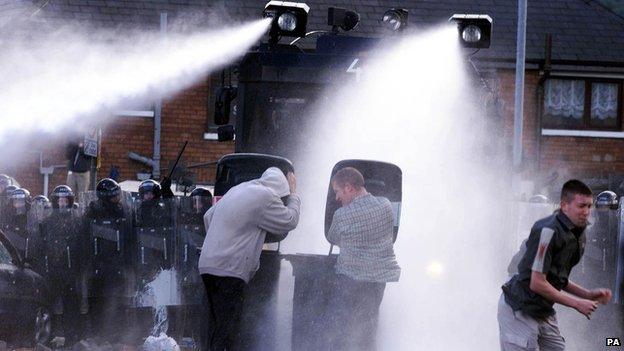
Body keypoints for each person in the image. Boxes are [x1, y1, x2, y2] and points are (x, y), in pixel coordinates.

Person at [498, 179, 612, 351]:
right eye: (581, 206)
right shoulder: (548, 231)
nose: (586, 212)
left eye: (589, 206)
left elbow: (556, 278)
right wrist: (577, 303)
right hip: (520, 308)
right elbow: (537, 282)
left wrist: (587, 294)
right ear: (564, 205)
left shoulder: (578, 234)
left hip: (543, 310)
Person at [198, 167, 300, 351]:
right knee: (228, 328)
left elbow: (208, 216)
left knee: (216, 324)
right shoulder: (267, 196)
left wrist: (221, 242)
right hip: (230, 270)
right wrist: (294, 195)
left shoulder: (238, 189)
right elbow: (290, 220)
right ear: (281, 190)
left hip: (207, 264)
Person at [326, 167, 401, 351]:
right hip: (377, 281)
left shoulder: (342, 215)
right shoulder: (385, 205)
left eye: (337, 191)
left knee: (340, 332)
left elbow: (333, 237)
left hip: (350, 280)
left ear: (349, 188)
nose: (337, 198)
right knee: (368, 331)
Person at [66, 136, 93, 200]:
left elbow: (89, 155)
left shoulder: (90, 141)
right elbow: (67, 155)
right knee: (69, 194)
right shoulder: (72, 143)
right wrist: (73, 146)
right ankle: (70, 209)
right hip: (72, 172)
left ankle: (81, 209)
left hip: (83, 173)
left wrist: (81, 147)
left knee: (82, 196)